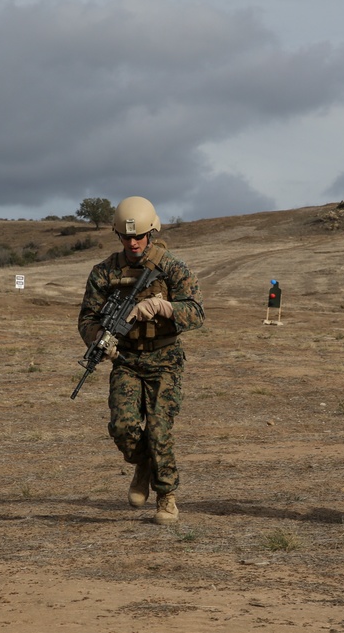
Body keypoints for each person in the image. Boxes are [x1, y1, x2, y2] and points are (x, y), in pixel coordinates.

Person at [77, 196, 204, 525]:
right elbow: (87, 319)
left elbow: (197, 313)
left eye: (139, 236)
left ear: (151, 232)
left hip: (165, 358)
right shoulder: (104, 272)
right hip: (127, 360)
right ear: (117, 235)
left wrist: (165, 308)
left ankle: (166, 496)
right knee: (123, 429)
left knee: (160, 429)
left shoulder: (171, 267)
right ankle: (143, 464)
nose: (133, 243)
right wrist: (99, 341)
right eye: (126, 237)